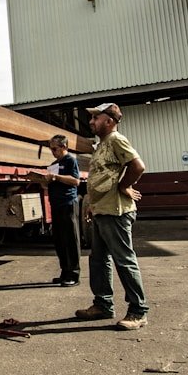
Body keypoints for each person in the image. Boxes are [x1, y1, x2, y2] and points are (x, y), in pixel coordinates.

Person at [73, 102, 150, 330]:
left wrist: (125, 186)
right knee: (98, 260)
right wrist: (92, 205)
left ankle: (138, 312)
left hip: (116, 212)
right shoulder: (102, 144)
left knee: (124, 261)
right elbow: (103, 177)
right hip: (101, 210)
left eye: (96, 117)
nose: (91, 121)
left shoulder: (117, 140)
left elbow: (137, 166)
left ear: (109, 121)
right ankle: (103, 305)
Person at [39, 134, 93, 286]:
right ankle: (65, 272)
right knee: (59, 240)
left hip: (68, 203)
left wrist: (56, 177)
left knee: (70, 239)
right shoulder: (55, 163)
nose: (53, 152)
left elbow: (75, 181)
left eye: (55, 149)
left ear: (64, 147)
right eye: (51, 149)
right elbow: (51, 183)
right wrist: (44, 182)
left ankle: (74, 274)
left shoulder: (70, 160)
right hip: (56, 204)